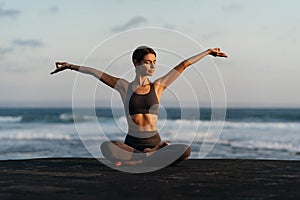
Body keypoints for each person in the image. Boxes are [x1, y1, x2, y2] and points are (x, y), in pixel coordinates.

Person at [51, 46, 227, 167]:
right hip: (132, 144)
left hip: (154, 141)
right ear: (136, 63)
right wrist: (70, 66)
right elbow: (95, 73)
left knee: (185, 150)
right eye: (148, 62)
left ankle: (137, 161)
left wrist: (207, 52)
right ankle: (149, 157)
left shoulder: (158, 86)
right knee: (107, 147)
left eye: (155, 61)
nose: (153, 65)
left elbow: (183, 65)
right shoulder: (123, 87)